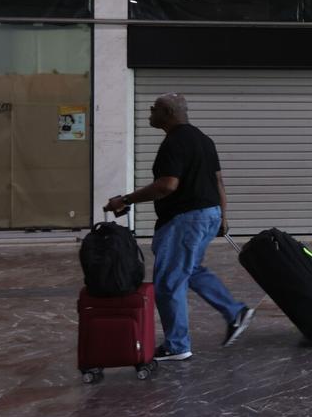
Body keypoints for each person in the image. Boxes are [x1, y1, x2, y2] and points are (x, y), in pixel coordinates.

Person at [103, 93, 254, 360]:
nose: (149, 113)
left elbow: (167, 185)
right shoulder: (204, 140)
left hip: (186, 219)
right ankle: (235, 311)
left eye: (154, 109)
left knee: (169, 282)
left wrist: (125, 200)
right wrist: (223, 217)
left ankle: (177, 345)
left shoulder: (174, 142)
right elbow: (219, 182)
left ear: (168, 112)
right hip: (208, 214)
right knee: (191, 269)